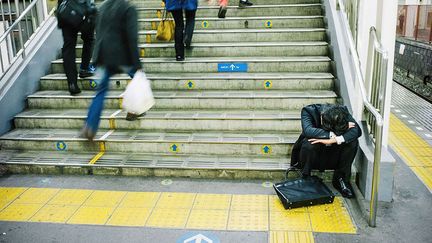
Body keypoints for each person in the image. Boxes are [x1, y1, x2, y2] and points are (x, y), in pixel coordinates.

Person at [80, 0, 142, 141]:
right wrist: (137, 64)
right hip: (122, 57)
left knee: (101, 92)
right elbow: (132, 38)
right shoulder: (128, 8)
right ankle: (134, 109)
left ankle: (89, 127)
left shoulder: (103, 6)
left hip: (102, 56)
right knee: (138, 79)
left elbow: (99, 31)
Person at [290, 104, 362, 198]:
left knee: (352, 142)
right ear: (321, 116)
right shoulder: (308, 111)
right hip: (314, 156)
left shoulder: (342, 111)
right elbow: (308, 131)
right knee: (310, 142)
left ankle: (341, 179)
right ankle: (306, 177)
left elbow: (357, 130)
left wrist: (334, 140)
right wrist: (336, 132)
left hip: (333, 154)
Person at [57, 0, 96, 95]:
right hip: (83, 11)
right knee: (89, 39)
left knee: (69, 47)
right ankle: (84, 68)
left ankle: (72, 84)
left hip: (67, 11)